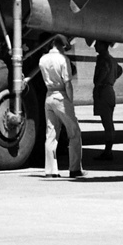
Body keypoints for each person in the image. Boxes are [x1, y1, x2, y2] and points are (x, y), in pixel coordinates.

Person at [38, 35, 83, 179]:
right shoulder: (63, 60)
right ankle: (75, 169)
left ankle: (50, 170)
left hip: (48, 95)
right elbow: (68, 82)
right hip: (61, 95)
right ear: (61, 46)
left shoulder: (42, 59)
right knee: (74, 132)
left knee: (51, 134)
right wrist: (70, 99)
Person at [91, 40, 122, 161]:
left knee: (107, 122)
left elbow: (104, 70)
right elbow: (119, 70)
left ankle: (108, 151)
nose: (95, 46)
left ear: (103, 46)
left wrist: (99, 83)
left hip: (103, 90)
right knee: (108, 121)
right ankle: (108, 149)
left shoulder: (103, 59)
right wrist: (112, 78)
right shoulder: (112, 59)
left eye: (97, 44)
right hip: (109, 90)